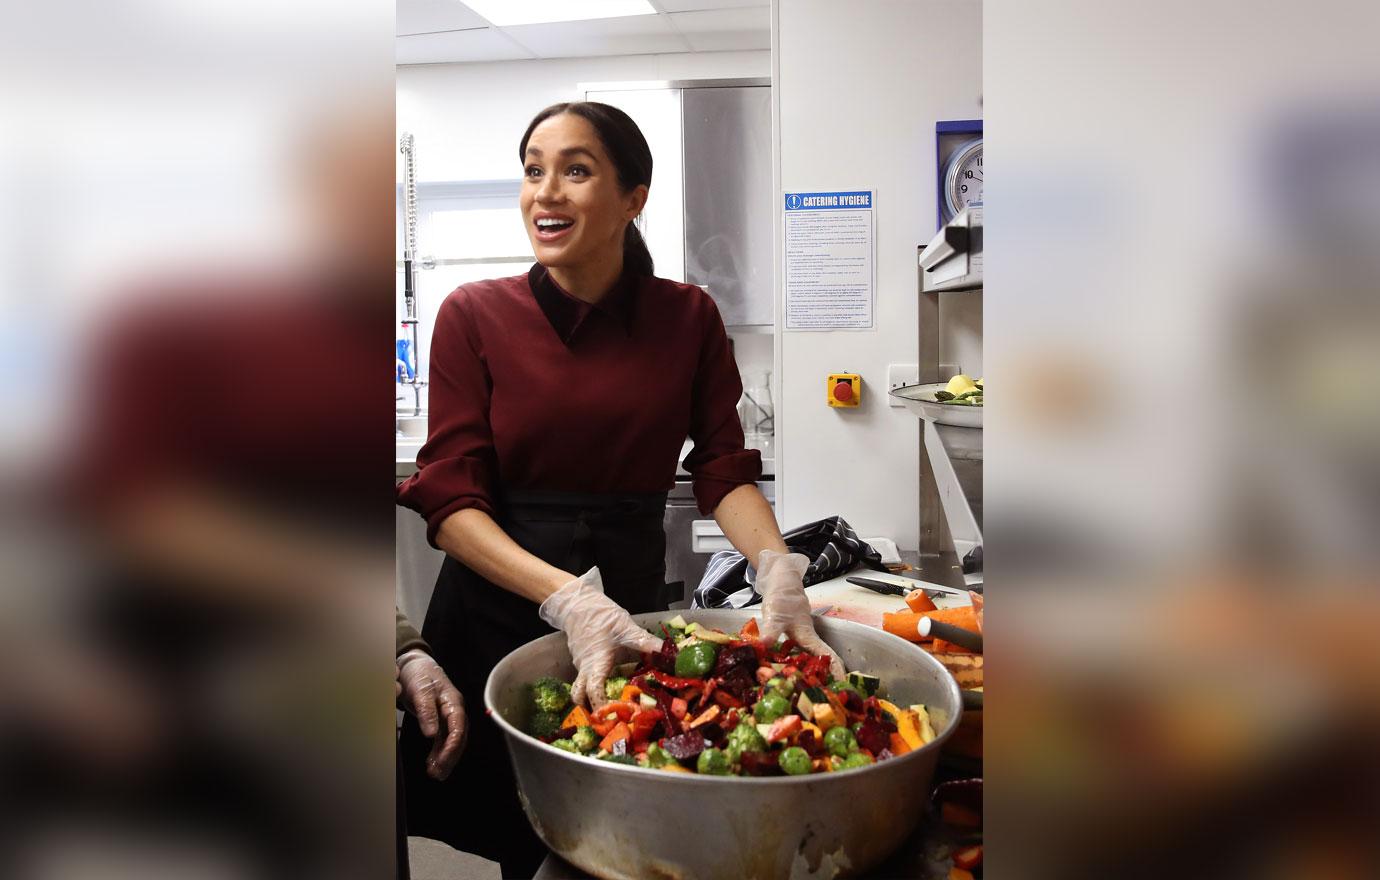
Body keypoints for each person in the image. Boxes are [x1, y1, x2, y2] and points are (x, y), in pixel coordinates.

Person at [396, 101, 841, 876]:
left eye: (576, 170)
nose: (546, 193)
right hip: (505, 604)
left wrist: (777, 567)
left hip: (628, 604)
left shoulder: (688, 318)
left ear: (634, 198)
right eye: (533, 171)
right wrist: (569, 601)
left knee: (630, 826)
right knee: (523, 832)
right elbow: (451, 504)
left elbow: (722, 469)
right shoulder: (473, 315)